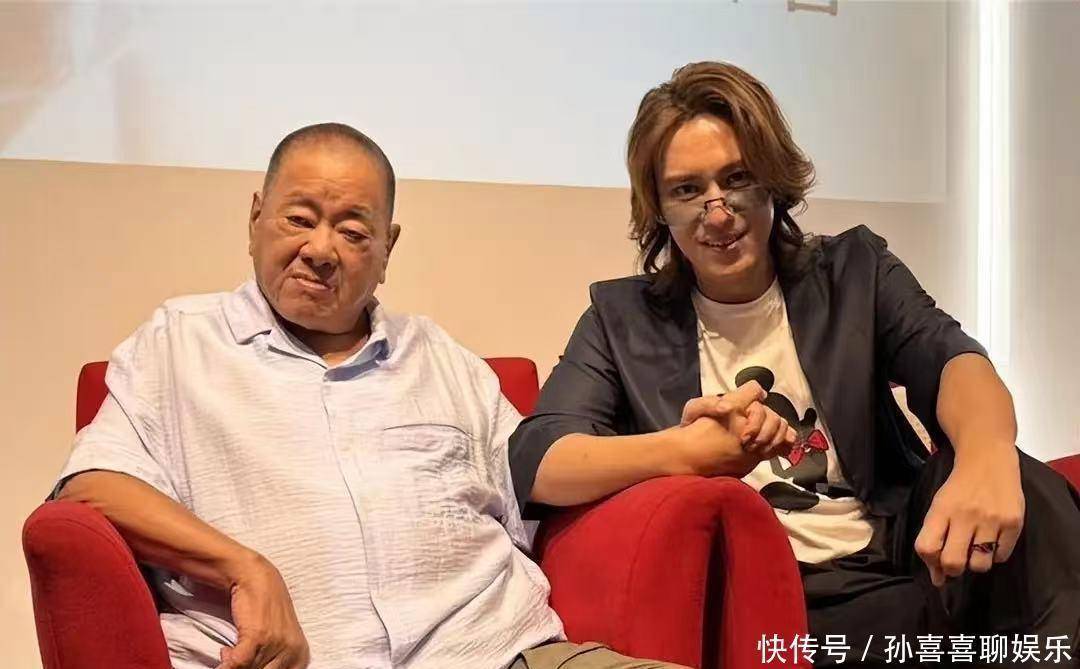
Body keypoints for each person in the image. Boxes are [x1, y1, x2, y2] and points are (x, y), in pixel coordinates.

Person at [54, 122, 695, 669]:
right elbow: (91, 484)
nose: (320, 250)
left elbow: (532, 473)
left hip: (502, 652)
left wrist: (682, 448)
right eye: (299, 219)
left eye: (354, 232)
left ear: (388, 248)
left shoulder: (438, 357)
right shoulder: (180, 343)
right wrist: (243, 567)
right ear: (255, 219)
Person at [509, 63, 1080, 667]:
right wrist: (685, 453)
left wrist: (988, 456)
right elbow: (537, 458)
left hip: (907, 550)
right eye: (687, 191)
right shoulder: (621, 320)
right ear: (659, 209)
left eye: (738, 179)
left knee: (1029, 487)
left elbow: (952, 360)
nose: (718, 213)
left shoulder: (853, 273)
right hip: (792, 599)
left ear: (772, 182)